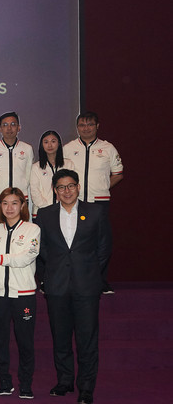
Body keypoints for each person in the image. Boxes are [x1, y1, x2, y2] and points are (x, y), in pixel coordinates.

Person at [35, 169, 111, 404]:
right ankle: (65, 381)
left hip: (86, 286)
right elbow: (43, 249)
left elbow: (104, 248)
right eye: (61, 187)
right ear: (55, 191)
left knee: (87, 338)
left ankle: (86, 387)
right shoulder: (45, 215)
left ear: (78, 187)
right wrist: (54, 272)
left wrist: (88, 272)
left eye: (70, 186)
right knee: (61, 337)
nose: (66, 191)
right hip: (57, 286)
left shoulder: (96, 212)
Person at [0, 188, 40, 399]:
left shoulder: (33, 230)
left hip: (23, 295)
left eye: (14, 203)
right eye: (5, 203)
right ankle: (4, 381)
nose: (9, 208)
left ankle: (26, 383)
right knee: (0, 341)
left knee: (25, 341)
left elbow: (26, 257)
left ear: (23, 206)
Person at [62, 112, 122, 294]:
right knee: (74, 242)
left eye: (89, 124)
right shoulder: (68, 148)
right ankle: (73, 281)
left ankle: (100, 281)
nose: (85, 128)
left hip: (99, 202)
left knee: (101, 243)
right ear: (77, 127)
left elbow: (118, 173)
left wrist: (103, 187)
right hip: (74, 202)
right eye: (82, 125)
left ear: (97, 126)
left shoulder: (108, 148)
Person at [0, 112, 34, 224]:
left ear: (19, 128)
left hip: (20, 198)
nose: (9, 128)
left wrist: (20, 190)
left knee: (19, 234)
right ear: (0, 129)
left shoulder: (27, 148)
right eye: (5, 125)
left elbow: (28, 174)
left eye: (13, 124)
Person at [30, 130, 76, 216]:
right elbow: (35, 192)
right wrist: (48, 209)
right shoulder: (36, 167)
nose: (50, 145)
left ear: (59, 144)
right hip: (42, 212)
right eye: (46, 142)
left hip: (65, 211)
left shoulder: (68, 164)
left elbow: (72, 188)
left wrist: (62, 207)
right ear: (41, 145)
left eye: (53, 141)